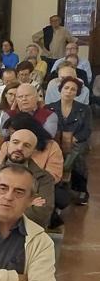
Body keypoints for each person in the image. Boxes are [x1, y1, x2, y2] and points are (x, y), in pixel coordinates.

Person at [0, 129, 55, 228]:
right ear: (8, 145)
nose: (19, 148)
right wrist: (26, 205)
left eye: (27, 145)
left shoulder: (44, 178)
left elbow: (40, 216)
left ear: (33, 151)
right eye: (15, 142)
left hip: (27, 234)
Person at [47, 77, 92, 205]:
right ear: (61, 90)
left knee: (77, 154)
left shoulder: (85, 109)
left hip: (77, 141)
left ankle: (79, 188)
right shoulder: (49, 108)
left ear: (77, 93)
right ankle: (59, 182)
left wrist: (73, 138)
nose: (69, 91)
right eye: (66, 88)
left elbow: (87, 130)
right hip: (55, 142)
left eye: (73, 89)